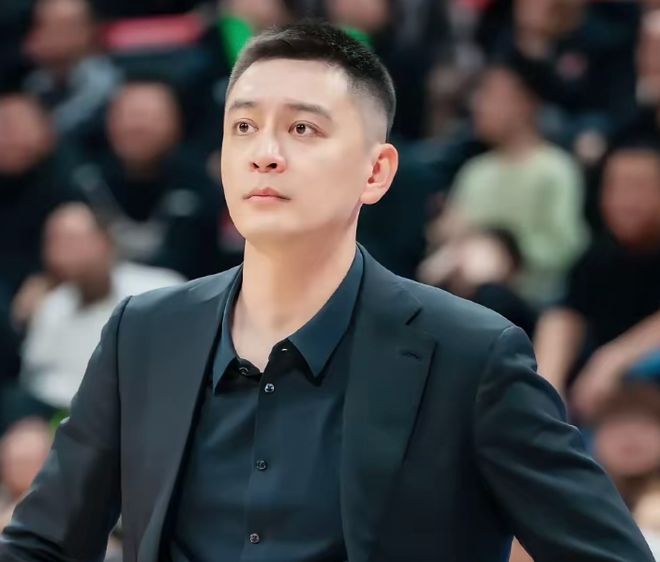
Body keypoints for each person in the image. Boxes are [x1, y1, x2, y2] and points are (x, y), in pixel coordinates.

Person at [0, 22, 653, 562]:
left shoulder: (471, 355)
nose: (265, 153)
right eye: (243, 127)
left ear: (376, 171)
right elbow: (43, 545)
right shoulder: (142, 334)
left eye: (303, 129)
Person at [433, 62, 589, 305]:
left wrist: (508, 255)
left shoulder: (556, 169)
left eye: (491, 95)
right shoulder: (475, 171)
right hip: (466, 293)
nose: (478, 104)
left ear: (526, 103)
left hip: (529, 300)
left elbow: (565, 247)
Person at [18, 203, 184, 414]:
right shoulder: (52, 306)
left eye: (72, 240)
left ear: (106, 241)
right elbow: (34, 378)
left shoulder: (161, 288)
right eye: (54, 242)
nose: (64, 252)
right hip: (69, 415)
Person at [535, 142, 660, 422]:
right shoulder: (598, 257)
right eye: (614, 187)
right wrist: (547, 389)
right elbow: (563, 315)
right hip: (597, 407)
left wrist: (614, 358)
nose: (625, 201)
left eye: (638, 187)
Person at [23, 0, 121, 139]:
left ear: (89, 31)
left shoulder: (111, 86)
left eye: (62, 26)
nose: (51, 34)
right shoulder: (34, 84)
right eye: (43, 25)